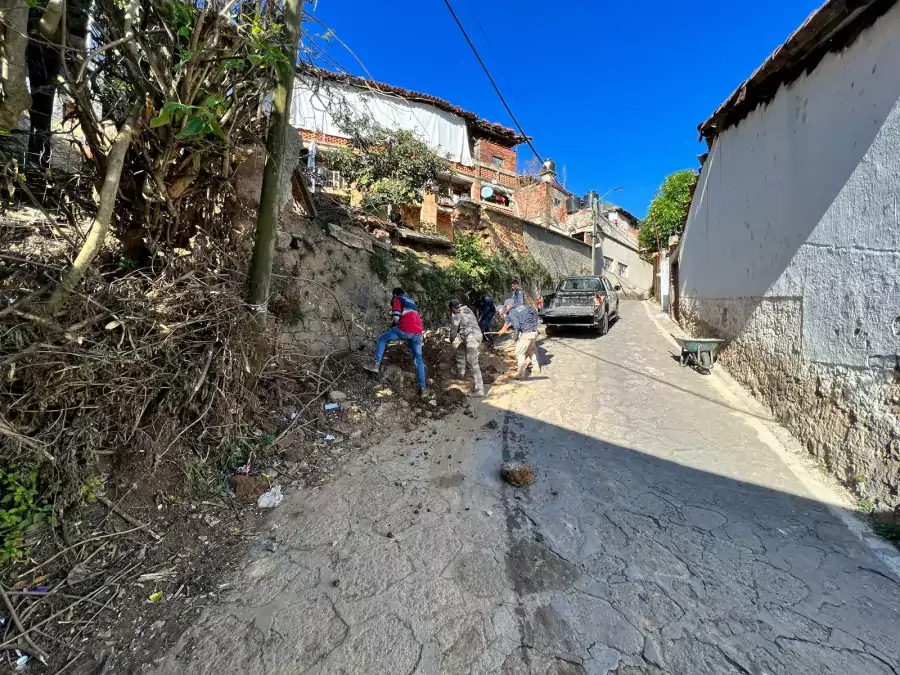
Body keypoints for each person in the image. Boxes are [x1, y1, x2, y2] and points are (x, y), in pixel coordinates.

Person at [364, 287, 427, 399]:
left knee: (383, 338)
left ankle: (376, 365)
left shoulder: (397, 299)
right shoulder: (412, 302)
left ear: (394, 294)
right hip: (417, 333)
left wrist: (394, 325)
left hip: (405, 330)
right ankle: (423, 388)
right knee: (418, 359)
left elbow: (396, 318)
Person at [448, 299, 485, 397]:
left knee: (473, 362)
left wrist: (450, 341)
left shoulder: (456, 315)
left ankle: (480, 389)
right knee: (460, 350)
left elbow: (453, 333)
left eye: (451, 310)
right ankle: (461, 373)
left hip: (471, 337)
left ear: (452, 308)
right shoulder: (468, 310)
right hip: (476, 335)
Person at [497, 301, 541, 379]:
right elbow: (534, 312)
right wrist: (534, 324)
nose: (505, 308)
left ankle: (521, 375)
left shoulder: (512, 312)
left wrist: (515, 338)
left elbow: (516, 326)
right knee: (530, 350)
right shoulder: (523, 306)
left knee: (519, 353)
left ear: (509, 305)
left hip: (526, 334)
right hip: (535, 332)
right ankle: (536, 368)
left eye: (506, 307)